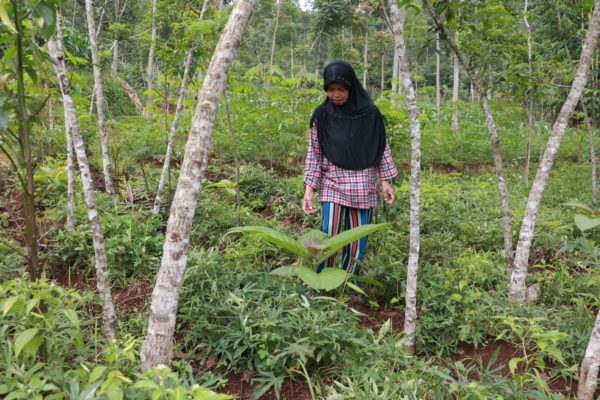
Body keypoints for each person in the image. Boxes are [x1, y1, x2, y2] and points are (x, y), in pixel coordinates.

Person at [302, 60, 398, 275]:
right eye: (331, 90)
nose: (336, 94)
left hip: (363, 183)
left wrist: (385, 181)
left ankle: (347, 281)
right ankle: (322, 280)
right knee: (328, 233)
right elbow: (314, 152)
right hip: (332, 181)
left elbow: (380, 146)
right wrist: (309, 188)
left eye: (341, 89)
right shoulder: (322, 116)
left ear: (351, 87)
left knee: (357, 237)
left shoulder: (370, 114)